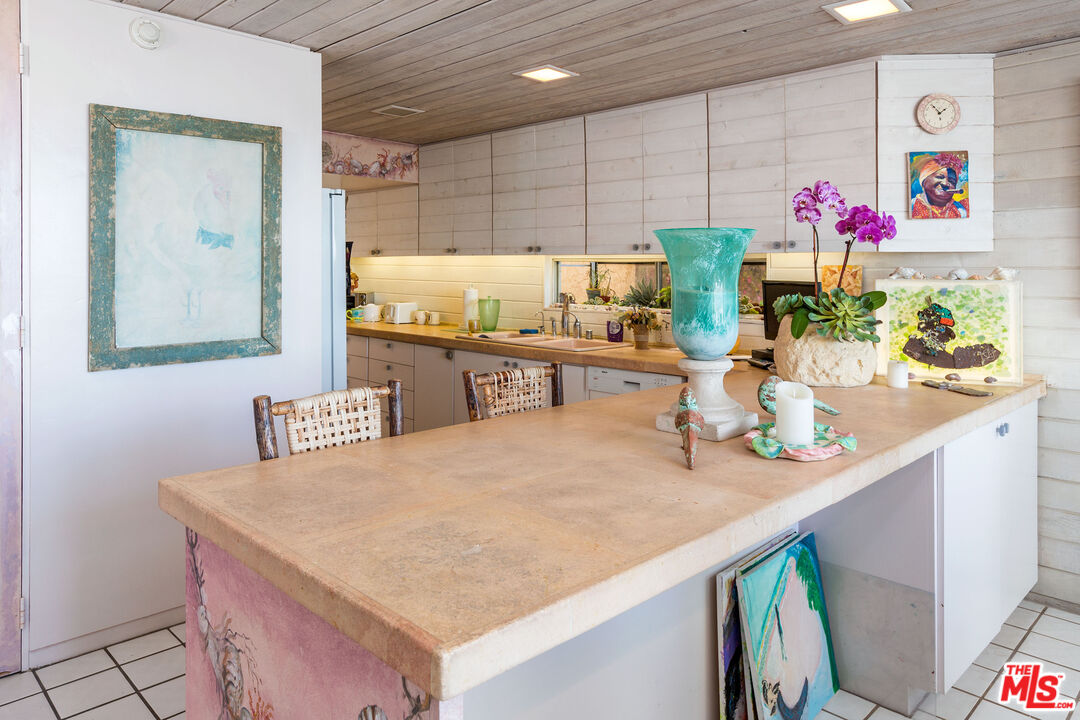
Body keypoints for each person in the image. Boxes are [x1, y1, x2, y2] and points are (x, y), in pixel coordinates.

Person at [911, 153, 969, 219]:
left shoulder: (961, 211)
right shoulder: (912, 206)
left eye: (952, 181)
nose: (945, 184)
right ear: (924, 181)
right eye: (939, 177)